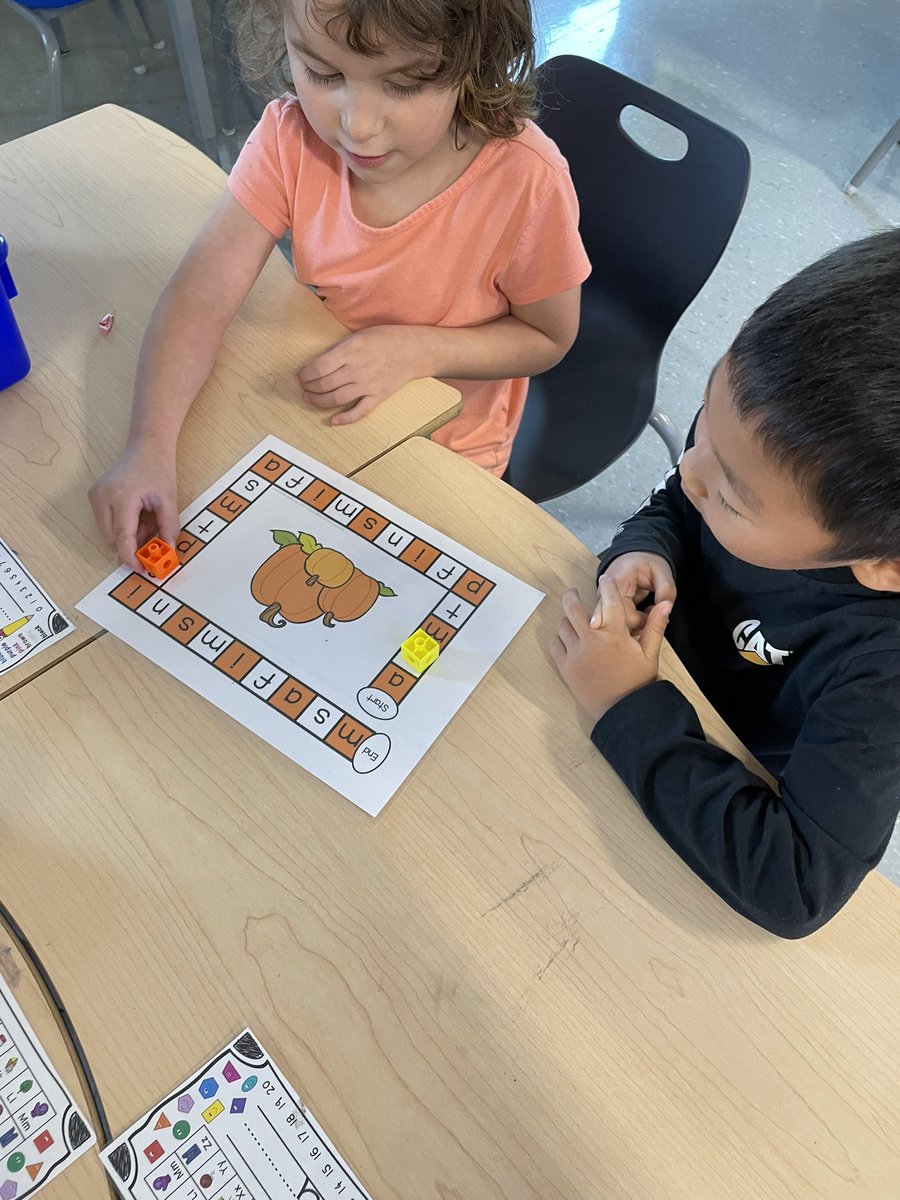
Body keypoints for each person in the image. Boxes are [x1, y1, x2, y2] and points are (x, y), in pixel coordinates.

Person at [89, 0, 590, 567]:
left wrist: (419, 349)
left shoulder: (525, 181)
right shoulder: (290, 138)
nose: (357, 125)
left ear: (474, 56)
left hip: (446, 447)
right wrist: (148, 445)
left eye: (404, 84)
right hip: (321, 415)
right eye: (324, 75)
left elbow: (549, 338)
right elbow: (198, 298)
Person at [551, 227, 900, 939]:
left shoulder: (881, 679)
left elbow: (793, 885)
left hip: (706, 784)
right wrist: (643, 550)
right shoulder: (742, 458)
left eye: (732, 500)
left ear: (885, 564)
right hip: (629, 706)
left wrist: (626, 704)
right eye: (704, 423)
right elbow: (675, 503)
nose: (691, 471)